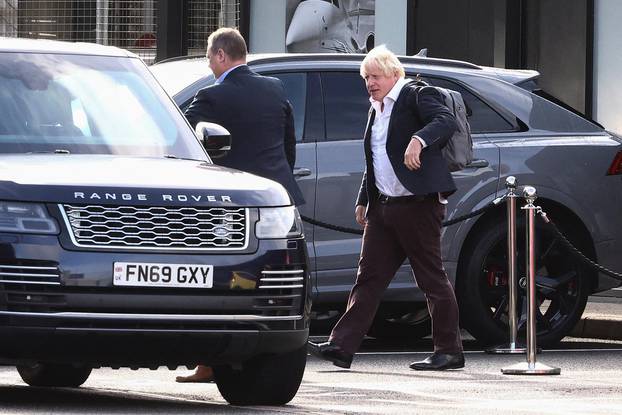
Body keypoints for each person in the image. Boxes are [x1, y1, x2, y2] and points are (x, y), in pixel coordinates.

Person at [308, 45, 464, 371]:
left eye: (375, 76)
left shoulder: (416, 95)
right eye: (366, 77)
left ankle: (448, 350)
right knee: (368, 278)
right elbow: (376, 159)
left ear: (393, 74)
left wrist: (419, 140)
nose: (370, 83)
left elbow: (445, 120)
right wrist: (364, 198)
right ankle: (341, 347)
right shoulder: (375, 109)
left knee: (430, 278)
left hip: (418, 205)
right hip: (384, 208)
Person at [175, 27, 304, 384]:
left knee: (222, 279)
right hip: (277, 198)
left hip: (230, 204)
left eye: (208, 57)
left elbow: (179, 137)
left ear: (220, 56)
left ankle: (210, 362)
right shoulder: (276, 89)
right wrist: (280, 184)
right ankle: (266, 359)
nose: (209, 64)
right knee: (278, 282)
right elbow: (288, 143)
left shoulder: (212, 95)